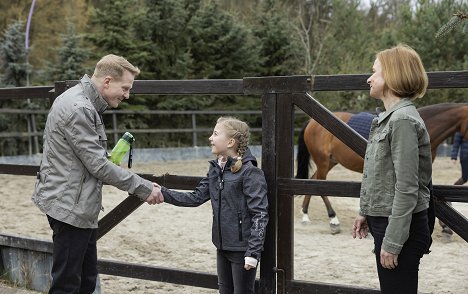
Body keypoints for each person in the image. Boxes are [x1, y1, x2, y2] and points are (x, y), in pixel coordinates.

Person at [32, 54, 164, 294]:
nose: (127, 95)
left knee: (85, 280)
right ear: (107, 81)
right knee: (68, 285)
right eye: (124, 88)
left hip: (77, 204)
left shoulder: (82, 102)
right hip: (70, 207)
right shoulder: (79, 108)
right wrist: (144, 187)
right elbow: (99, 166)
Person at [352, 44, 432, 294]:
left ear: (393, 75)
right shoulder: (389, 118)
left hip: (400, 228)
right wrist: (367, 211)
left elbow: (407, 187)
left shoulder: (402, 121)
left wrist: (394, 241)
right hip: (387, 221)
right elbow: (380, 175)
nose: (369, 78)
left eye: (375, 72)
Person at [156, 117, 269, 294]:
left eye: (215, 134)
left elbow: (260, 214)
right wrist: (163, 192)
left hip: (242, 251)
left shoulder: (250, 172)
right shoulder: (216, 169)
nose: (210, 138)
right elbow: (195, 198)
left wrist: (253, 252)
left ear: (230, 142)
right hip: (221, 246)